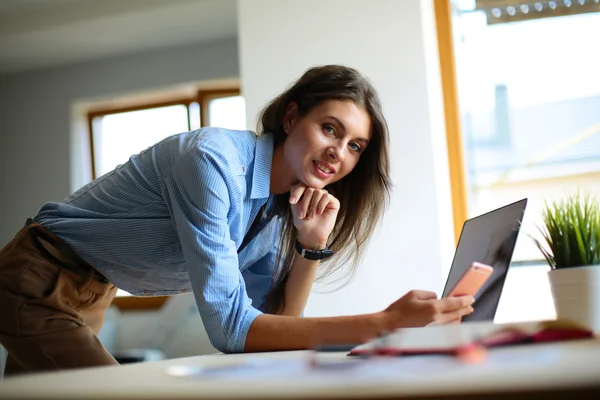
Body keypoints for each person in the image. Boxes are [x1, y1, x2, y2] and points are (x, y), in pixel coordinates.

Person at [0, 65, 474, 376]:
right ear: (291, 118)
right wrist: (383, 323)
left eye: (355, 146)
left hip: (93, 288)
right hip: (39, 273)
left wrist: (310, 250)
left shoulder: (279, 207)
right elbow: (231, 330)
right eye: (330, 128)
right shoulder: (214, 163)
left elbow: (274, 331)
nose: (339, 152)